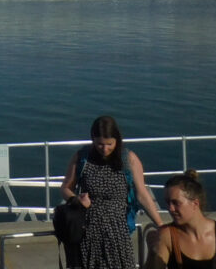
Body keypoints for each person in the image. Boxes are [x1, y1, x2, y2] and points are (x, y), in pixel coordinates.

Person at [60, 115, 166, 269]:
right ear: (93, 140)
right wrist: (76, 199)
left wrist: (160, 225)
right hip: (87, 231)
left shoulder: (129, 159)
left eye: (109, 144)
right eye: (99, 144)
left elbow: (142, 194)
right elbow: (65, 188)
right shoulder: (82, 157)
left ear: (117, 139)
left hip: (118, 232)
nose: (104, 149)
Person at [146, 171, 216, 269]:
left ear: (195, 204)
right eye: (168, 203)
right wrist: (153, 253)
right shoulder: (167, 236)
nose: (170, 209)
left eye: (176, 203)